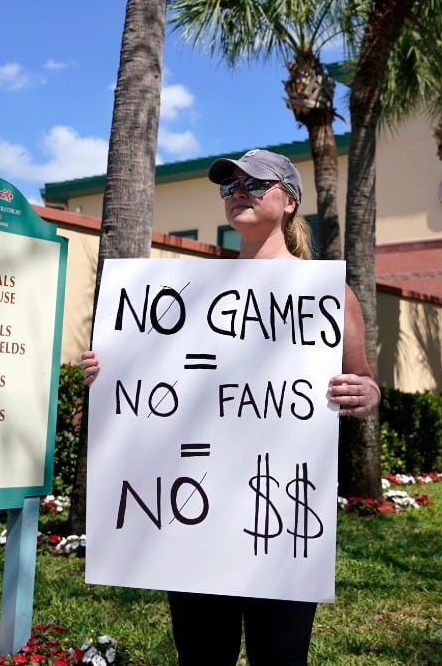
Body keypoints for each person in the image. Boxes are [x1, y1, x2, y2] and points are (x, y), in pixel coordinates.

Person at [79, 148, 381, 666]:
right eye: (229, 186)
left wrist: (366, 395)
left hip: (279, 523)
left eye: (253, 184)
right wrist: (107, 375)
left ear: (288, 202)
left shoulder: (327, 295)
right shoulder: (191, 293)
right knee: (201, 657)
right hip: (195, 521)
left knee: (280, 657)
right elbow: (154, 382)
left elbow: (365, 382)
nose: (238, 192)